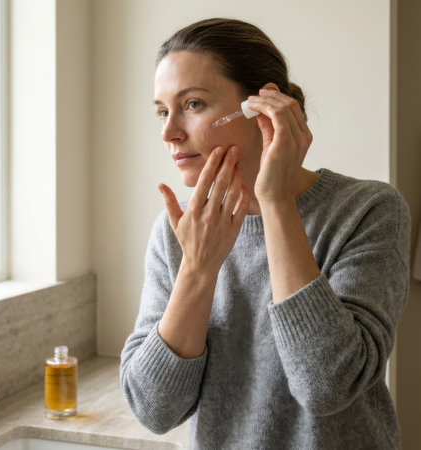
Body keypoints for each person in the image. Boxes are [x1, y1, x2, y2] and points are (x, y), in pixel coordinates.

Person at [120, 18, 411, 449]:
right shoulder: (178, 231)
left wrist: (275, 203)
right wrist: (198, 270)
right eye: (163, 110)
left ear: (263, 105)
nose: (169, 132)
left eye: (193, 104)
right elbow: (154, 410)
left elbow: (327, 386)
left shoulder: (368, 211)